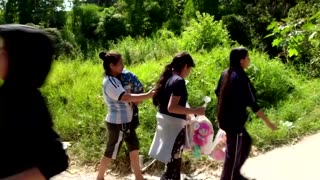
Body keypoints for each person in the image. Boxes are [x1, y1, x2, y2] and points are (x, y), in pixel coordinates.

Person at [0, 24, 69, 180]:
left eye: (3, 52)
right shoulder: (8, 94)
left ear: (19, 60)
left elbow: (56, 160)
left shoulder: (24, 100)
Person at [215, 47, 277, 180]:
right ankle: (229, 177)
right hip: (234, 122)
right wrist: (269, 123)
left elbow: (218, 94)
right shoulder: (241, 77)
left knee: (245, 142)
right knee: (234, 151)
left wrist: (219, 114)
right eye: (248, 57)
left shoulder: (225, 73)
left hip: (226, 119)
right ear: (241, 60)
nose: (249, 60)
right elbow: (253, 104)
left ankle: (235, 174)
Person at [97, 51, 154, 180]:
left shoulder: (116, 79)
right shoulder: (110, 82)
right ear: (112, 66)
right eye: (120, 63)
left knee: (134, 147)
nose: (123, 66)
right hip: (118, 123)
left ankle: (138, 176)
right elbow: (126, 97)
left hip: (125, 121)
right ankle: (99, 177)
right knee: (111, 151)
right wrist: (149, 95)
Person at [149, 52, 205, 180]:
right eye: (189, 69)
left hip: (166, 124)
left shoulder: (169, 77)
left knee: (170, 161)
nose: (189, 72)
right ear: (186, 66)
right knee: (174, 161)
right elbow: (172, 107)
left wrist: (187, 113)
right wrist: (196, 110)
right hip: (174, 127)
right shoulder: (179, 81)